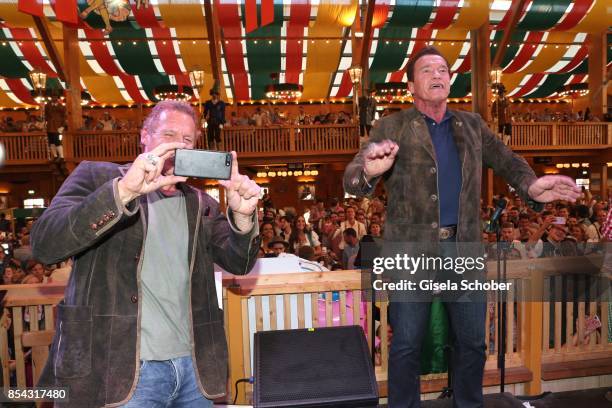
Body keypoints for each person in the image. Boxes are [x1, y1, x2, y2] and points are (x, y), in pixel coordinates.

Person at [343, 46, 581, 407]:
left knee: (472, 341)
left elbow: (508, 161)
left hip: (464, 250)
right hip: (411, 254)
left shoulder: (471, 124)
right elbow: (352, 176)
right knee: (407, 342)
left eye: (443, 69)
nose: (437, 75)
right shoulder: (391, 126)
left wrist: (532, 186)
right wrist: (367, 173)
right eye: (427, 70)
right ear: (410, 86)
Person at [31, 100, 261, 407]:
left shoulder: (202, 204)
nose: (178, 146)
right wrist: (123, 192)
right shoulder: (97, 178)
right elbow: (46, 244)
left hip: (194, 370)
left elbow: (240, 262)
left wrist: (243, 217)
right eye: (168, 135)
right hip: (117, 371)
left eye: (187, 140)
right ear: (145, 137)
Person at [44, 93, 66, 161]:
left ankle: (62, 156)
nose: (54, 98)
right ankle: (55, 156)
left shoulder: (61, 106)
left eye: (55, 97)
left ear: (57, 98)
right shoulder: (47, 105)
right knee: (51, 141)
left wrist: (62, 126)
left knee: (57, 141)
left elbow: (64, 116)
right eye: (53, 97)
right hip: (50, 126)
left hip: (58, 126)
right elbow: (46, 115)